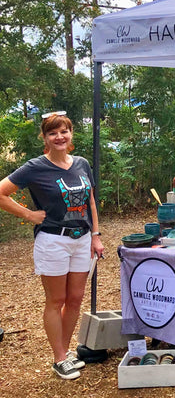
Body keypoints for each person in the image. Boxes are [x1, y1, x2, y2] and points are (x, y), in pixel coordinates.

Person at [0, 111, 104, 380]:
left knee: (75, 299)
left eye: (64, 131)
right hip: (53, 240)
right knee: (56, 299)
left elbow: (90, 201)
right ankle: (58, 357)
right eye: (53, 133)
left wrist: (96, 235)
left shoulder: (81, 163)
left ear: (71, 134)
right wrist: (29, 214)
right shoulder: (36, 167)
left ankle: (65, 353)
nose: (59, 137)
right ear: (45, 138)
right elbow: (1, 192)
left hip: (81, 240)